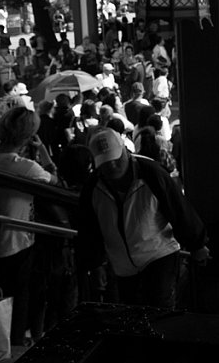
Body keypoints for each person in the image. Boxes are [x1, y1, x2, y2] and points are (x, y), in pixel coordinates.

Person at [77, 129, 210, 309]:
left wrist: (197, 244)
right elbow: (90, 228)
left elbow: (178, 208)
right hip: (122, 265)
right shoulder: (93, 187)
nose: (113, 166)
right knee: (134, 313)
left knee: (159, 309)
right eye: (106, 162)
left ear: (125, 150)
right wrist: (95, 263)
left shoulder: (151, 173)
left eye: (116, 159)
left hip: (158, 254)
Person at [0, 107, 59, 345]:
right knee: (20, 295)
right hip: (19, 240)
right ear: (30, 136)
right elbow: (54, 180)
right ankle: (16, 341)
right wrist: (42, 150)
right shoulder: (28, 168)